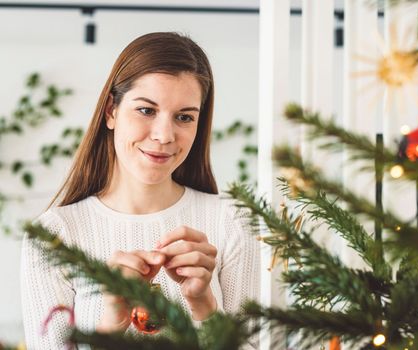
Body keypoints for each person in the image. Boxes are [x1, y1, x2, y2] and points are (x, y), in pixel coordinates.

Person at [20, 32, 260, 349]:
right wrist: (110, 330)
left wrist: (206, 308)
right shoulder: (53, 236)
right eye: (146, 110)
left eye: (184, 117)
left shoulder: (233, 222)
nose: (164, 135)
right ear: (111, 111)